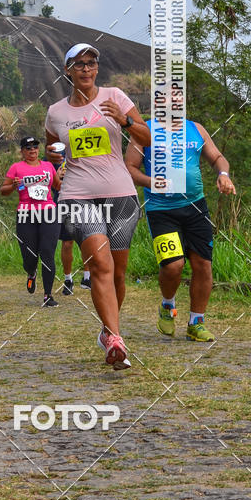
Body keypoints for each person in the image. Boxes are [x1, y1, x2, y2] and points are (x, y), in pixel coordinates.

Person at [45, 43, 151, 369]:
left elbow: (148, 139)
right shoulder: (56, 112)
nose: (86, 69)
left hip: (120, 194)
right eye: (79, 64)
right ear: (68, 70)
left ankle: (108, 331)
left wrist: (126, 122)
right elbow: (53, 146)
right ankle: (116, 342)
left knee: (118, 273)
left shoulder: (116, 96)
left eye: (91, 63)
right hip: (78, 196)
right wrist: (53, 158)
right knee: (100, 265)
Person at [125, 117, 236, 342]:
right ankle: (168, 305)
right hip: (161, 209)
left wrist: (223, 175)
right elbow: (130, 168)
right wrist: (152, 182)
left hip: (196, 207)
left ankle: (196, 322)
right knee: (173, 265)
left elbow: (217, 158)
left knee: (203, 264)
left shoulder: (195, 128)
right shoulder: (144, 130)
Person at [0, 137, 63, 307]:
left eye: (35, 147)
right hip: (25, 214)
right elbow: (3, 191)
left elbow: (57, 186)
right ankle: (31, 272)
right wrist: (13, 185)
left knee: (47, 253)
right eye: (28, 147)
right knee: (29, 255)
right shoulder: (16, 168)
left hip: (48, 212)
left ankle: (48, 295)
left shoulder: (48, 166)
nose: (32, 150)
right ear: (22, 151)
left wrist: (62, 177)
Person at [46, 146, 91, 294]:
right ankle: (68, 279)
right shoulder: (48, 161)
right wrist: (57, 177)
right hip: (61, 203)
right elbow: (47, 185)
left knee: (85, 241)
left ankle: (87, 277)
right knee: (67, 243)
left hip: (80, 202)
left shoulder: (79, 154)